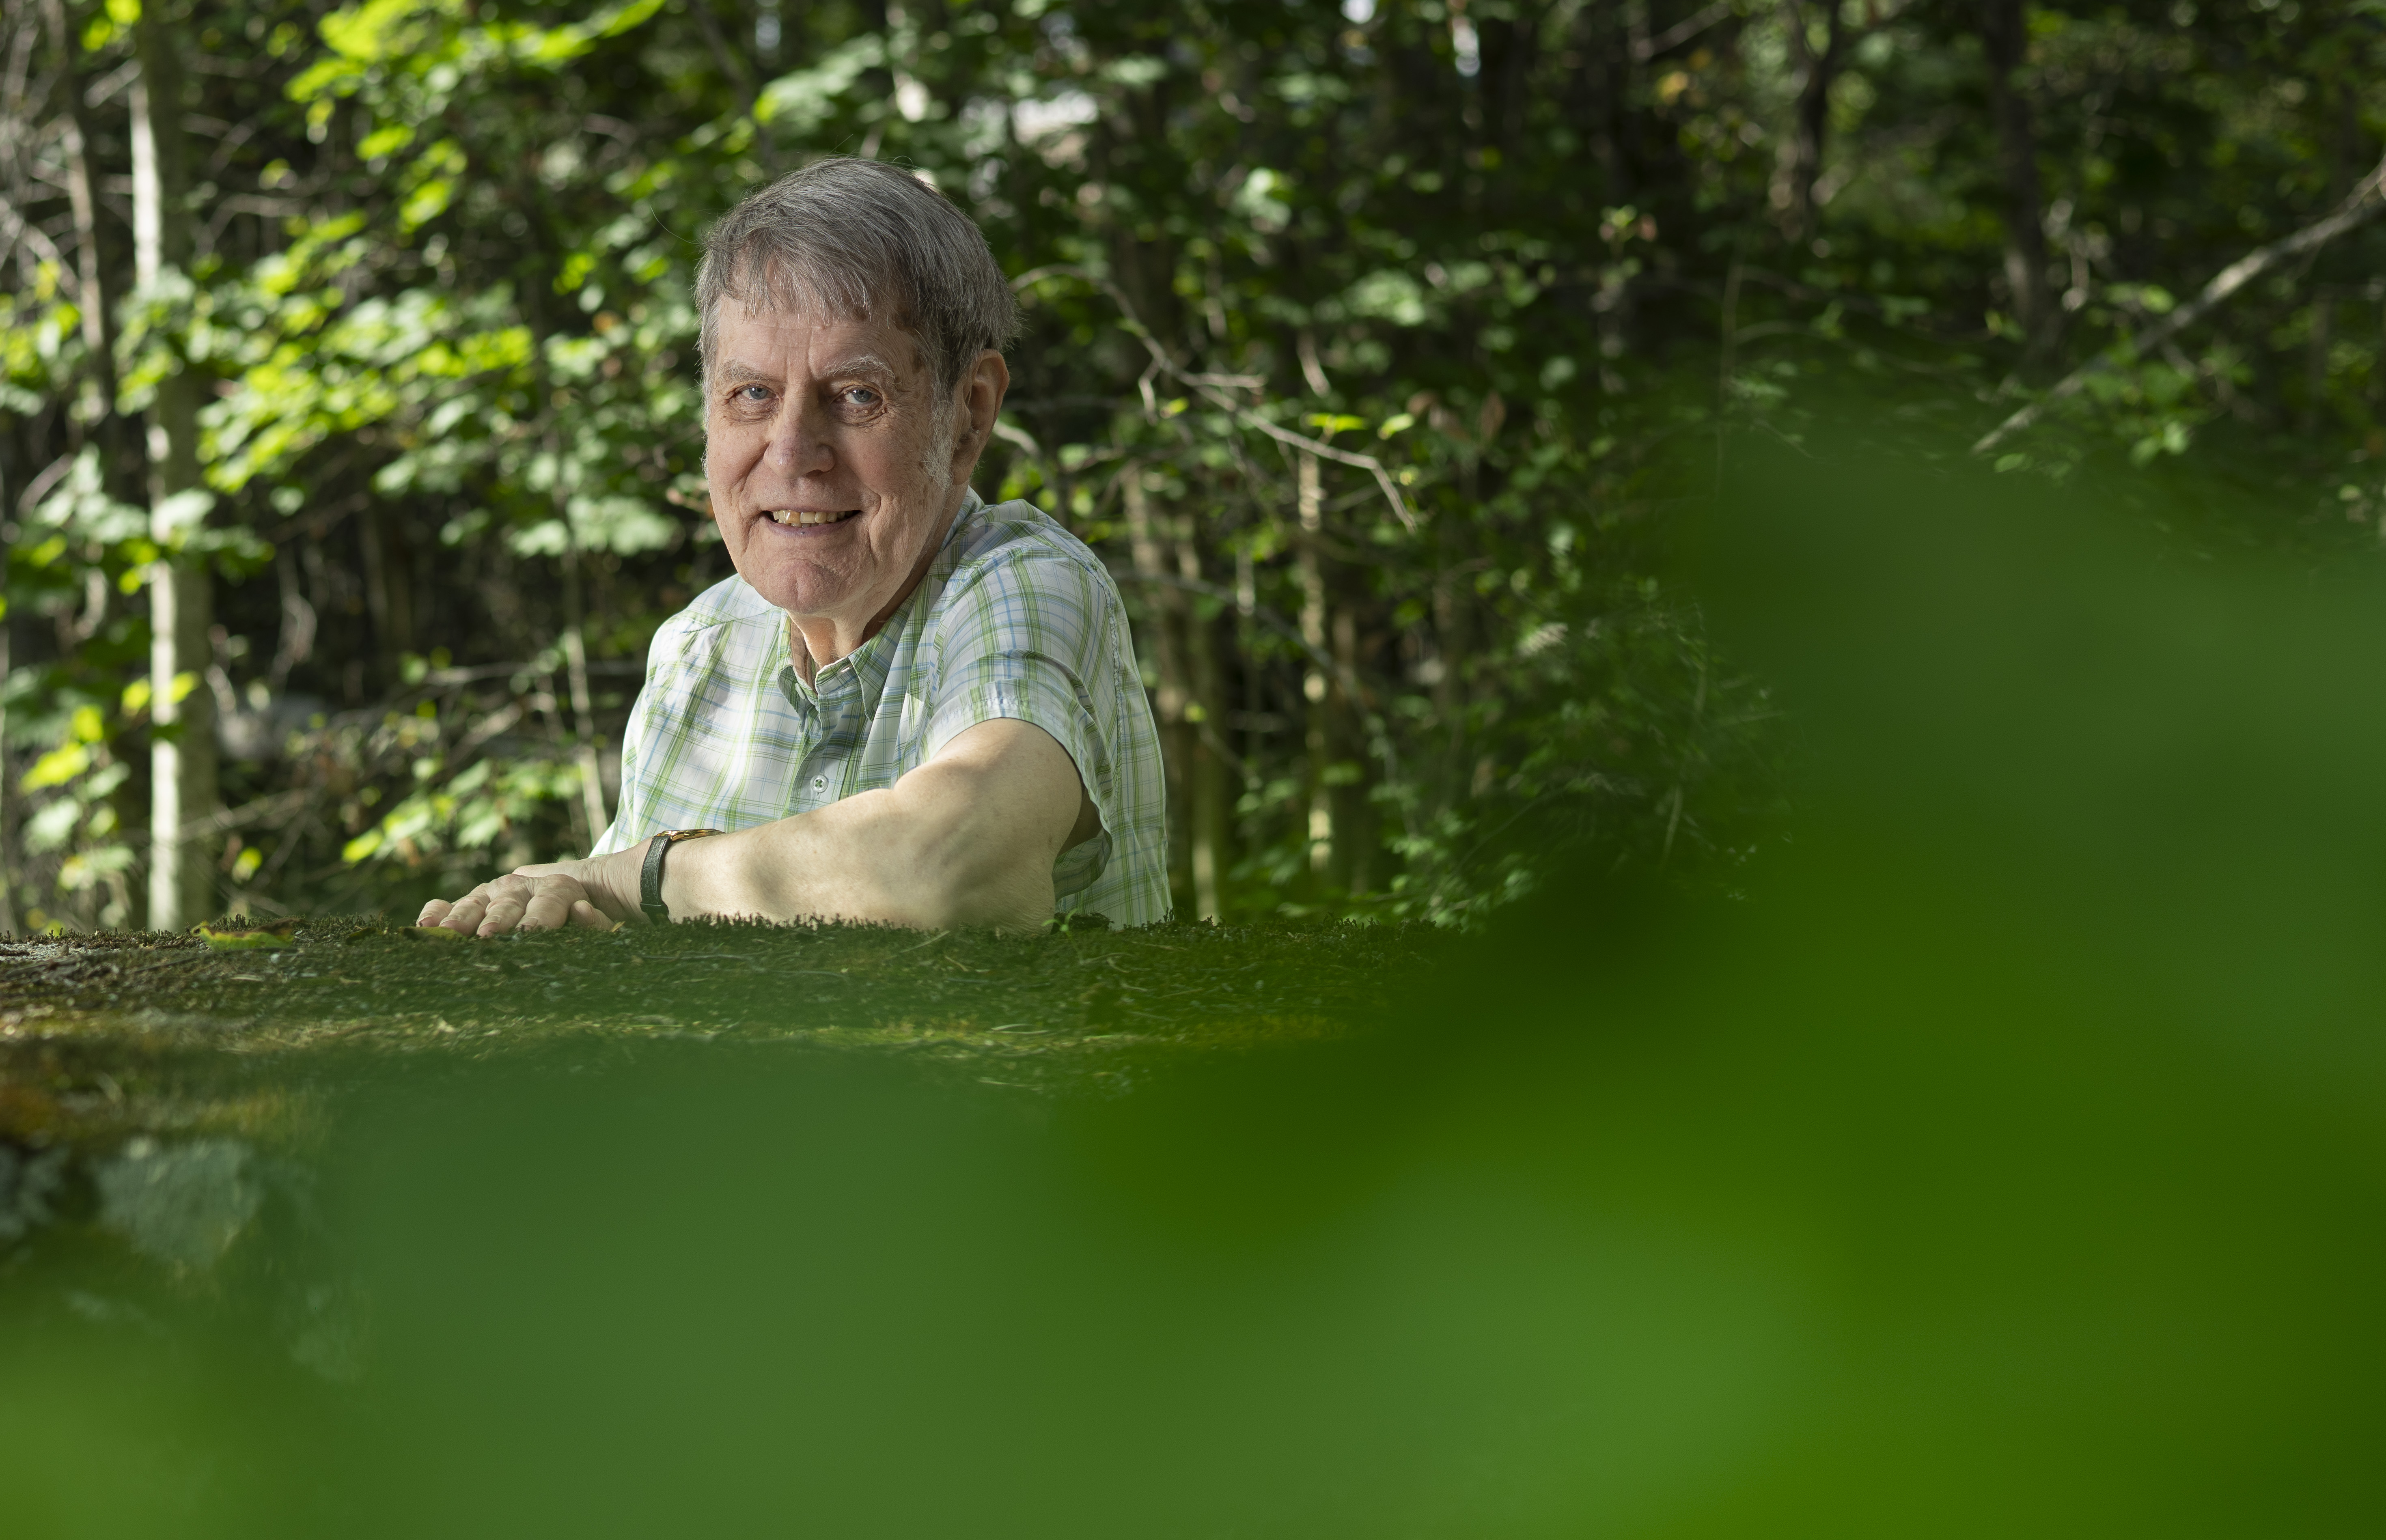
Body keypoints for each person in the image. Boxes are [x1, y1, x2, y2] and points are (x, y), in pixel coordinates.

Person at [418, 159, 1168, 937]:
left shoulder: (1022, 584)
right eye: (752, 395)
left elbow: (952, 874)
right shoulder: (697, 650)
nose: (792, 454)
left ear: (969, 416)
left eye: (856, 396)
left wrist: (634, 872)